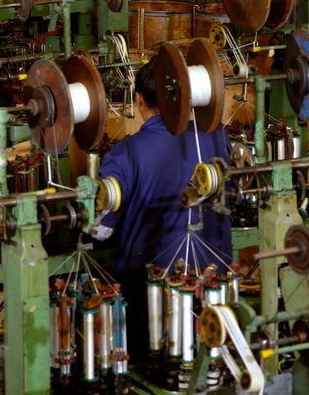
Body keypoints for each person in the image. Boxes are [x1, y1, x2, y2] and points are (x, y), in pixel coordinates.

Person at [92, 59, 232, 356]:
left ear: (139, 100)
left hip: (151, 298)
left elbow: (101, 229)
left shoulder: (126, 152)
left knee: (153, 366)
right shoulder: (217, 135)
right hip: (215, 285)